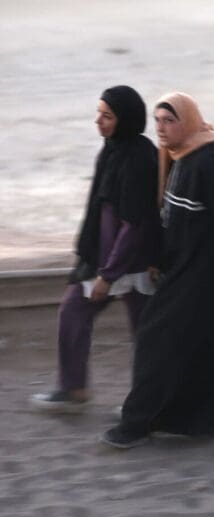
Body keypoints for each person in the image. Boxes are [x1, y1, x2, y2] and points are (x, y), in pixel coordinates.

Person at [101, 92, 214, 449]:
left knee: (156, 338)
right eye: (157, 121)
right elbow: (172, 220)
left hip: (210, 276)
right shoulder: (177, 158)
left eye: (169, 121)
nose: (161, 128)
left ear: (187, 122)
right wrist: (158, 259)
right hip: (189, 268)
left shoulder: (206, 164)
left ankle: (136, 423)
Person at [31, 86, 160, 414]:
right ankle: (73, 388)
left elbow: (134, 224)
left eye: (107, 115)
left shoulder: (140, 157)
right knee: (73, 312)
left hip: (133, 260)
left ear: (125, 119)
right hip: (102, 256)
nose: (98, 121)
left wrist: (108, 275)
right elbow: (100, 209)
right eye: (98, 113)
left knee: (145, 333)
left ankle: (147, 403)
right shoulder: (112, 149)